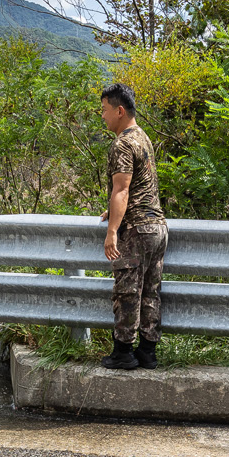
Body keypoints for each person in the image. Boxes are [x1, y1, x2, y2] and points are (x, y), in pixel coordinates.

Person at [98, 82, 166, 370]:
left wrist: (112, 230)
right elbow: (139, 185)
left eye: (104, 110)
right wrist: (114, 210)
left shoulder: (123, 143)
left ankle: (123, 351)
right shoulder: (143, 138)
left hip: (137, 229)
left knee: (127, 291)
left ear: (120, 110)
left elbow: (122, 190)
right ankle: (147, 352)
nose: (102, 116)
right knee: (150, 291)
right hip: (157, 226)